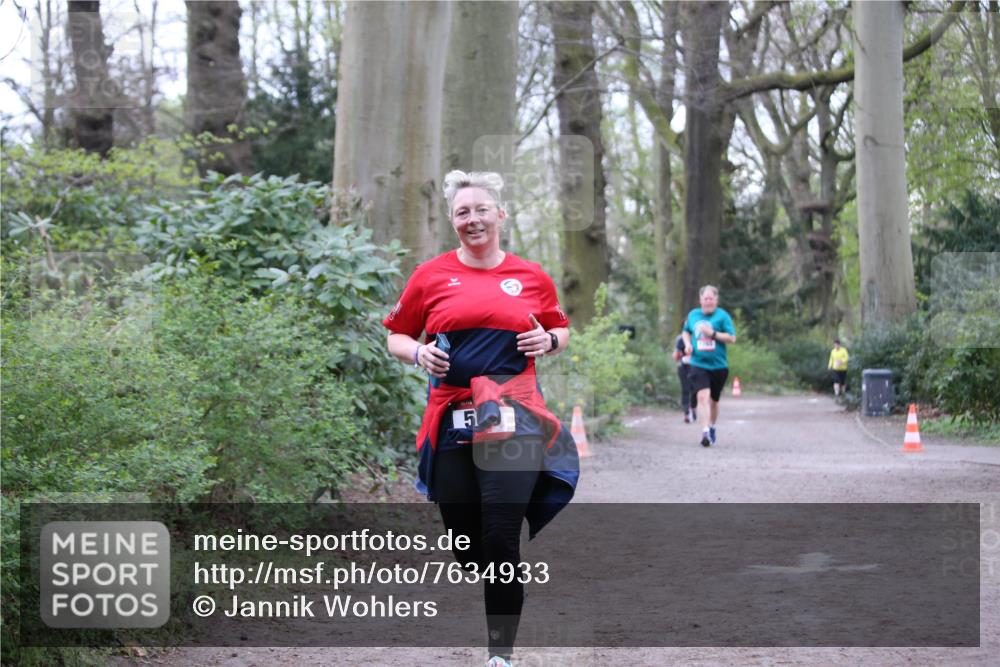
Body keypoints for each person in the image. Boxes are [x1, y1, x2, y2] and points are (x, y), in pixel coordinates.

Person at [384, 170, 579, 667]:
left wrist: (549, 341)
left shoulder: (531, 275)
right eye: (462, 212)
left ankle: (500, 654)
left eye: (481, 210)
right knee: (469, 544)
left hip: (514, 414)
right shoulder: (430, 276)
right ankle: (501, 578)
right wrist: (418, 354)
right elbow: (396, 335)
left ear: (500, 215)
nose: (473, 219)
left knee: (499, 533)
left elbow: (560, 328)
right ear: (453, 222)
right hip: (452, 415)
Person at [682, 285, 737, 447]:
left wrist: (712, 333)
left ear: (716, 300)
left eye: (711, 299)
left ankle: (712, 426)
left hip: (719, 366)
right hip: (698, 363)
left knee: (714, 400)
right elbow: (686, 331)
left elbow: (732, 338)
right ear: (700, 300)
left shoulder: (723, 316)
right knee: (702, 396)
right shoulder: (693, 315)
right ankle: (705, 431)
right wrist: (687, 344)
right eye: (705, 299)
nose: (708, 302)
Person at [673, 333, 695, 423]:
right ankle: (686, 412)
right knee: (685, 389)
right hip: (683, 367)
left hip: (696, 367)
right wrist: (679, 355)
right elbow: (675, 355)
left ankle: (693, 408)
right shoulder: (679, 339)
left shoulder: (697, 337)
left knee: (694, 390)